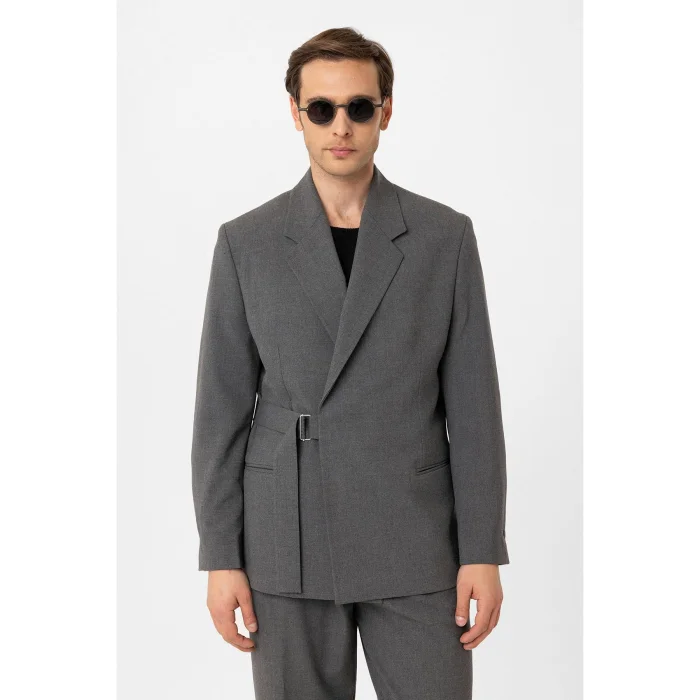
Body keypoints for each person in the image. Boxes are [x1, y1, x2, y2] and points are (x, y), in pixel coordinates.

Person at [191, 26, 510, 700]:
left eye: (359, 107)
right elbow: (221, 415)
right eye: (322, 108)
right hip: (288, 538)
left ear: (386, 112)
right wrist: (221, 556)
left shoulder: (443, 237)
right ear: (295, 113)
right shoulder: (247, 243)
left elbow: (475, 410)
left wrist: (482, 549)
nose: (341, 126)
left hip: (416, 537)